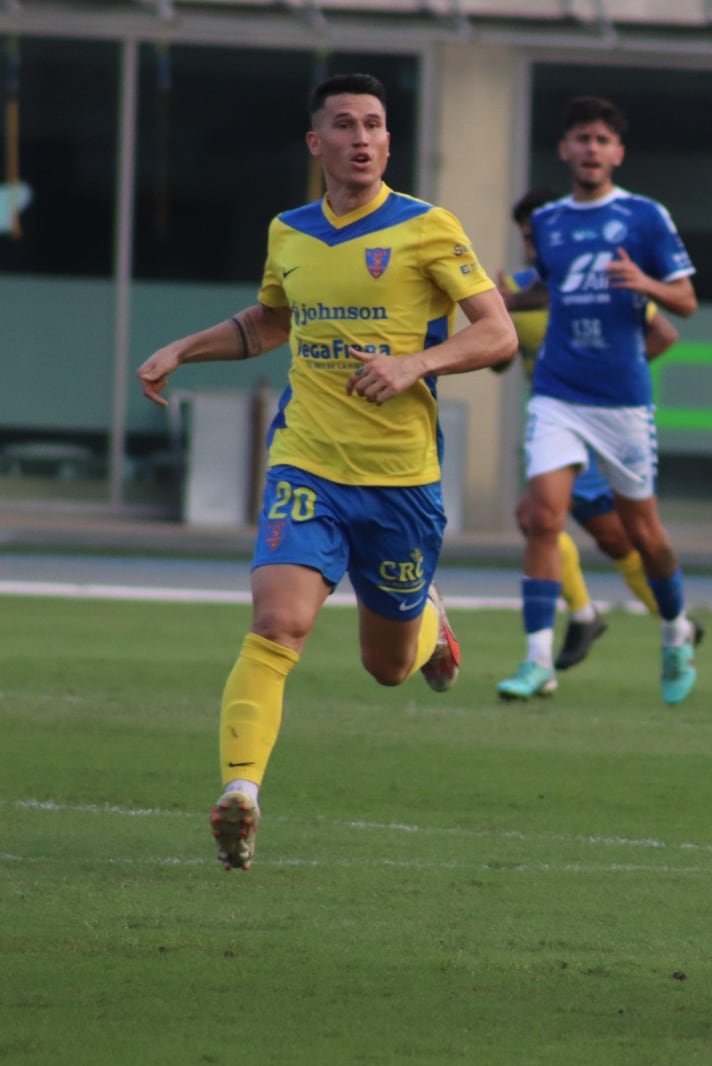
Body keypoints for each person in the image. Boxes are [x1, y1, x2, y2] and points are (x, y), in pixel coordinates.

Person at [135, 73, 516, 871]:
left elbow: (497, 336)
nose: (363, 138)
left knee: (385, 668)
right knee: (279, 623)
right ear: (317, 144)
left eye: (375, 125)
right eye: (345, 125)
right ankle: (241, 794)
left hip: (402, 481)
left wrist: (416, 362)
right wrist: (184, 348)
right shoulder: (289, 231)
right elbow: (271, 321)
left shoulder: (428, 228)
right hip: (306, 459)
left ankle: (425, 624)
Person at [499, 96, 701, 705]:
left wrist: (646, 285)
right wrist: (489, 299)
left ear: (617, 153)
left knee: (645, 534)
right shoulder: (553, 222)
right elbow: (543, 288)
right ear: (565, 150)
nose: (591, 149)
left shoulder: (644, 216)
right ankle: (537, 657)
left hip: (621, 401)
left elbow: (686, 302)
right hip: (558, 393)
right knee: (542, 517)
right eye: (581, 138)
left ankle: (675, 632)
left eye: (602, 140)